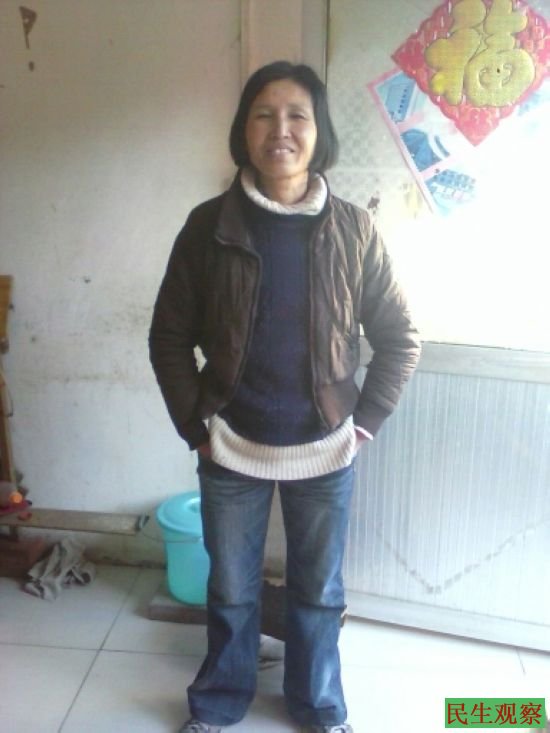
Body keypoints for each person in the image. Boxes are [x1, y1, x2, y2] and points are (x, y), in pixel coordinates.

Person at [149, 61, 421, 733]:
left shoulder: (354, 229)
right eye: (263, 115)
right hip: (230, 443)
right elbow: (169, 336)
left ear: (319, 130)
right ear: (243, 130)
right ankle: (219, 702)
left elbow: (399, 336)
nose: (281, 130)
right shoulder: (207, 226)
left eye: (297, 115)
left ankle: (318, 705)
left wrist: (364, 423)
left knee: (319, 592)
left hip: (325, 446)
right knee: (230, 589)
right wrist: (196, 426)